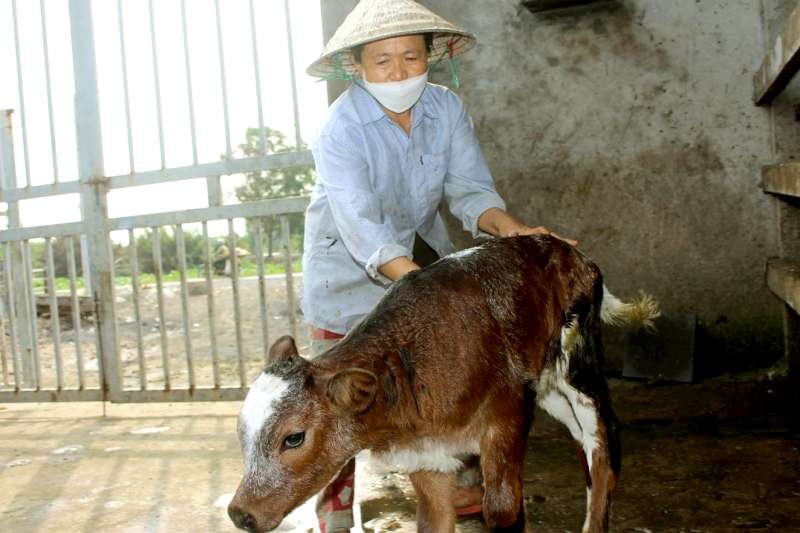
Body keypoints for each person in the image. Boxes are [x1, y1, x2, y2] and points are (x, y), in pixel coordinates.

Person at [302, 1, 575, 531]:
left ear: (432, 56)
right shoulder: (339, 129)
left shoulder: (445, 110)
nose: (398, 71)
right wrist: (432, 293)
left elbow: (472, 193)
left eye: (410, 56)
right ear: (356, 67)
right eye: (382, 61)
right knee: (335, 405)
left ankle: (466, 507)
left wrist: (519, 233)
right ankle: (334, 520)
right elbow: (363, 228)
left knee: (445, 393)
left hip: (422, 268)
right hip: (347, 275)